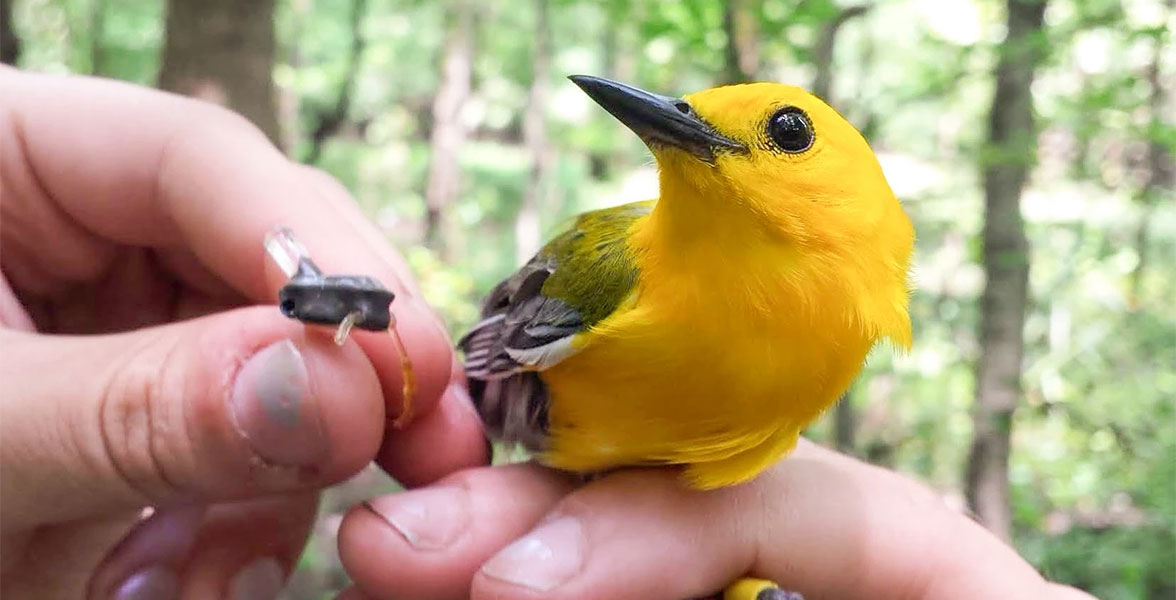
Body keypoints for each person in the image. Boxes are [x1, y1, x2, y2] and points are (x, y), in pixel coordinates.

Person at [0, 67, 1093, 600]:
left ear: (864, 191)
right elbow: (480, 364)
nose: (690, 137)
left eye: (784, 133)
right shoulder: (620, 266)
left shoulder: (854, 320)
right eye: (683, 129)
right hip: (542, 438)